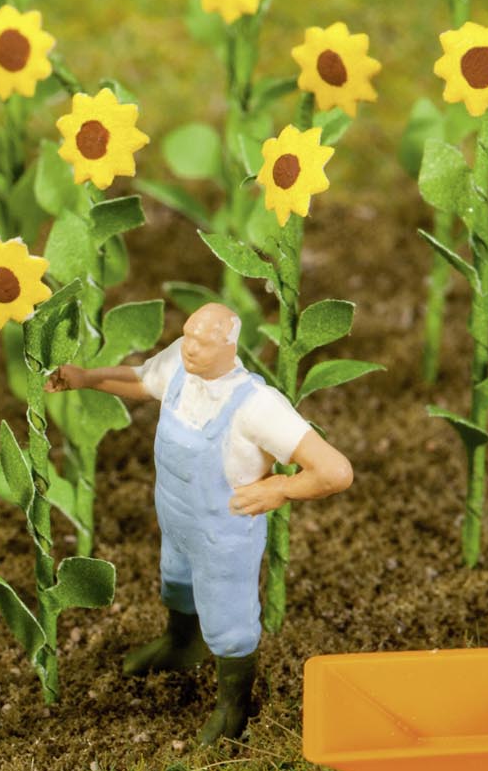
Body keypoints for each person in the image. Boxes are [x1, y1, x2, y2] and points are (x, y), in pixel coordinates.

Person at [46, 302, 354, 743]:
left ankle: (234, 706)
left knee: (228, 620)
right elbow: (139, 380)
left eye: (203, 342)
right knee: (176, 583)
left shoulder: (258, 406)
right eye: (188, 335)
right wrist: (87, 378)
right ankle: (181, 644)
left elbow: (335, 471)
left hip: (223, 533)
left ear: (229, 345)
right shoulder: (179, 364)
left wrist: (278, 489)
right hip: (176, 517)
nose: (190, 347)